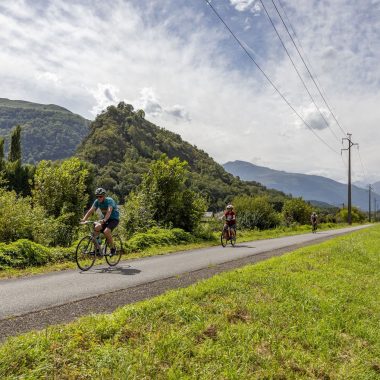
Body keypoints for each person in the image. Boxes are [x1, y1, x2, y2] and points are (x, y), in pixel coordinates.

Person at [81, 188, 120, 255]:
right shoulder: (97, 201)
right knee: (96, 228)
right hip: (105, 219)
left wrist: (104, 220)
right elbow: (91, 210)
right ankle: (97, 249)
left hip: (114, 219)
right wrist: (84, 219)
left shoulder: (109, 201)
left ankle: (113, 248)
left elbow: (109, 211)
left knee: (106, 231)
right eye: (97, 196)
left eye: (100, 196)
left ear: (104, 196)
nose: (99, 198)